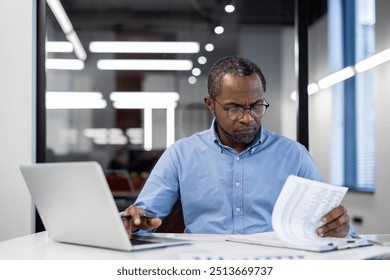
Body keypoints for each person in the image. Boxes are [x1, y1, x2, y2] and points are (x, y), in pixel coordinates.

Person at [122, 56, 353, 238]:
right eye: (233, 108)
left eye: (256, 106)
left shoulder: (293, 155)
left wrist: (338, 227)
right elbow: (144, 218)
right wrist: (135, 222)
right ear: (211, 105)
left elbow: (332, 222)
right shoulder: (181, 154)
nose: (247, 118)